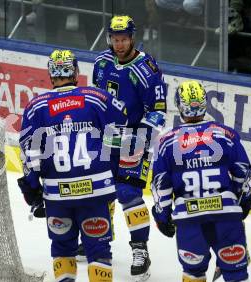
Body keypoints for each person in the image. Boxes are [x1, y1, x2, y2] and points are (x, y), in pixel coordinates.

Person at [18, 49, 129, 282]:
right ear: (76, 71)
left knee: (62, 250)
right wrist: (111, 169)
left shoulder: (36, 107)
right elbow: (121, 127)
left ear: (51, 73)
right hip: (96, 190)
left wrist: (32, 190)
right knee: (99, 252)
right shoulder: (96, 97)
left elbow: (30, 153)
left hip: (58, 194)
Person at [151, 80, 251, 282]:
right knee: (237, 274)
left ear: (180, 105)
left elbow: (161, 185)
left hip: (189, 221)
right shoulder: (226, 134)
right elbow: (244, 173)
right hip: (227, 218)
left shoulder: (165, 142)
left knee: (193, 274)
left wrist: (162, 217)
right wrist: (245, 202)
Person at [92, 15, 167, 281]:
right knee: (100, 189)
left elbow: (158, 111)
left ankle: (140, 251)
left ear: (132, 38)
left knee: (128, 192)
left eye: (124, 39)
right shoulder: (101, 62)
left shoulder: (146, 68)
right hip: (107, 135)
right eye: (115, 39)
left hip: (135, 135)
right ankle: (101, 240)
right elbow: (96, 100)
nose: (119, 44)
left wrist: (140, 139)